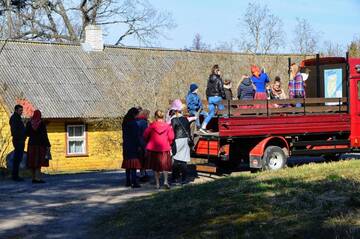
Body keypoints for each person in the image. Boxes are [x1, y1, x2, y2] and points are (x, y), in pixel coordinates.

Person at [144, 110, 174, 189]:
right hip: (164, 148)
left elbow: (145, 135)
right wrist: (169, 143)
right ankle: (165, 182)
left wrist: (148, 141)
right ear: (163, 116)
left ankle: (157, 184)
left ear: (155, 116)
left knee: (156, 167)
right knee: (165, 166)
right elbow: (171, 137)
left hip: (154, 149)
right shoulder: (167, 126)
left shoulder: (152, 126)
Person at [25, 110, 51, 183]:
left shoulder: (29, 123)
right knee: (38, 162)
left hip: (31, 144)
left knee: (32, 162)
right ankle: (37, 178)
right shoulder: (41, 123)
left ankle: (33, 178)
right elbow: (44, 135)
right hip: (40, 144)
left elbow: (27, 133)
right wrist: (48, 144)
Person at [170, 101, 191, 185]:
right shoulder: (186, 119)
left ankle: (175, 178)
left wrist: (171, 143)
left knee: (176, 159)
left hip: (177, 139)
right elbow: (188, 130)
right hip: (185, 139)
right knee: (184, 160)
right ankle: (184, 179)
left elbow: (172, 132)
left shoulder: (174, 119)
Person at [200, 65, 226, 134]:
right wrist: (224, 97)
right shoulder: (219, 79)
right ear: (217, 71)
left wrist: (208, 98)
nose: (220, 72)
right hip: (217, 97)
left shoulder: (209, 80)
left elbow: (207, 90)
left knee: (211, 113)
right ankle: (226, 126)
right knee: (224, 112)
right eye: (219, 70)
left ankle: (203, 127)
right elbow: (221, 89)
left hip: (210, 98)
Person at [121, 107, 142, 188]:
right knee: (133, 164)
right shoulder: (134, 123)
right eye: (137, 115)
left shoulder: (125, 122)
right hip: (133, 145)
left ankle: (128, 181)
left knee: (127, 164)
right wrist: (139, 145)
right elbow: (136, 136)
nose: (137, 116)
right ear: (134, 114)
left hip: (126, 145)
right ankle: (134, 182)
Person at [9, 104, 26, 181]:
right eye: (20, 110)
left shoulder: (17, 118)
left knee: (18, 158)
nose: (21, 112)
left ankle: (15, 175)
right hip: (18, 140)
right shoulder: (14, 118)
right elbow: (14, 130)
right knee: (17, 158)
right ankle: (15, 176)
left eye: (22, 110)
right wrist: (20, 137)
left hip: (20, 140)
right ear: (16, 110)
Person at [136, 108, 150, 182]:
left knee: (139, 159)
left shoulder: (134, 121)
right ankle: (143, 174)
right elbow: (146, 134)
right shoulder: (143, 122)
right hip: (143, 143)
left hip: (136, 143)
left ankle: (141, 173)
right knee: (143, 159)